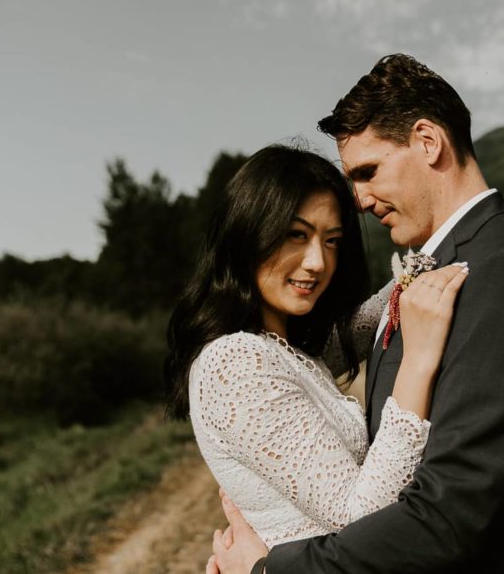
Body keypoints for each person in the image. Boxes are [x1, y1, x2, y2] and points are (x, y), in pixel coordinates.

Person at [210, 54, 504, 574]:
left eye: (367, 172)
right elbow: (336, 334)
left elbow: (450, 515)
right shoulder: (452, 265)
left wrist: (272, 570)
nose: (359, 200)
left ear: (429, 142)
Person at [165, 145, 470, 549]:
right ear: (248, 234)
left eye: (331, 241)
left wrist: (479, 221)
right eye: (297, 235)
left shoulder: (288, 349)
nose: (317, 263)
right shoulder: (235, 362)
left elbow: (379, 309)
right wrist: (418, 361)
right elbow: (360, 515)